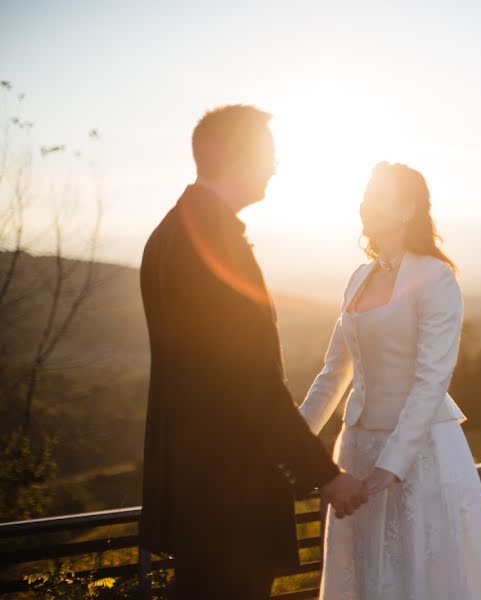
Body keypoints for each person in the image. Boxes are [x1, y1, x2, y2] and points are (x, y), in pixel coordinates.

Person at [138, 104, 367, 599]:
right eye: (269, 155)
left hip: (190, 487)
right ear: (237, 158)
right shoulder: (214, 241)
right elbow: (250, 379)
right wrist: (324, 474)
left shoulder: (166, 233)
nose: (275, 167)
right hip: (229, 494)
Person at [299, 162, 481, 599]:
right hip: (356, 449)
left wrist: (388, 469)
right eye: (364, 194)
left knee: (420, 576)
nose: (364, 204)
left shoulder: (435, 277)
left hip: (420, 456)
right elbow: (334, 372)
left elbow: (431, 379)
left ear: (407, 209)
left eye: (378, 196)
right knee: (365, 577)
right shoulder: (358, 278)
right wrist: (290, 443)